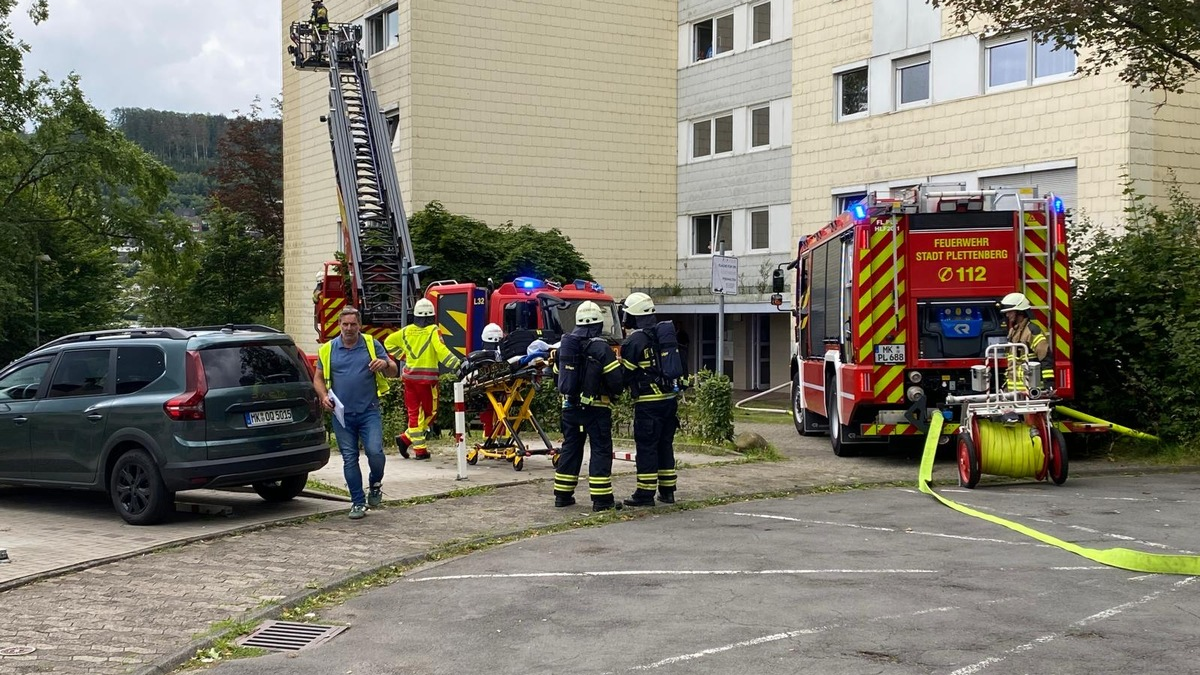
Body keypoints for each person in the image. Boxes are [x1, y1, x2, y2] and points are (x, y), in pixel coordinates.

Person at [313, 307, 398, 520]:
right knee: (349, 459)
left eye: (353, 324)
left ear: (359, 325)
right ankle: (358, 502)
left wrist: (385, 364)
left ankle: (375, 483)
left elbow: (393, 370)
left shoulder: (371, 344)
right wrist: (323, 396)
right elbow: (318, 377)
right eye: (345, 324)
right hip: (341, 414)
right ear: (339, 325)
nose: (349, 328)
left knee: (375, 452)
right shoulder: (328, 349)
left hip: (368, 411)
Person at [553, 301, 624, 512]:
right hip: (597, 408)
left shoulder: (565, 346)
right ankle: (602, 501)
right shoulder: (601, 347)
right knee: (601, 450)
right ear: (598, 324)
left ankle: (562, 496)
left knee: (570, 448)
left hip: (570, 408)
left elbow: (558, 376)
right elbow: (616, 382)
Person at [618, 292, 678, 507]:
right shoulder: (664, 335)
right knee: (665, 445)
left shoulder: (635, 340)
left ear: (633, 316)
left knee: (647, 448)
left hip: (648, 403)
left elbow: (625, 374)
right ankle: (668, 491)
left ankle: (644, 494)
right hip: (669, 400)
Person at [385, 298, 462, 460]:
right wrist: (458, 365)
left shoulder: (406, 331)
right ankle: (412, 444)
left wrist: (404, 357)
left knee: (414, 413)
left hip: (409, 379)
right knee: (430, 413)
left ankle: (409, 442)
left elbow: (388, 342)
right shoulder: (433, 330)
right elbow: (441, 351)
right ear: (432, 316)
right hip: (427, 381)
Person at [999, 292, 1054, 391]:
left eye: (1010, 312)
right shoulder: (1013, 331)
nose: (1007, 315)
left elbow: (1045, 357)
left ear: (1020, 312)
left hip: (1030, 389)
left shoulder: (1032, 331)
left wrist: (1048, 384)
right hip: (1015, 391)